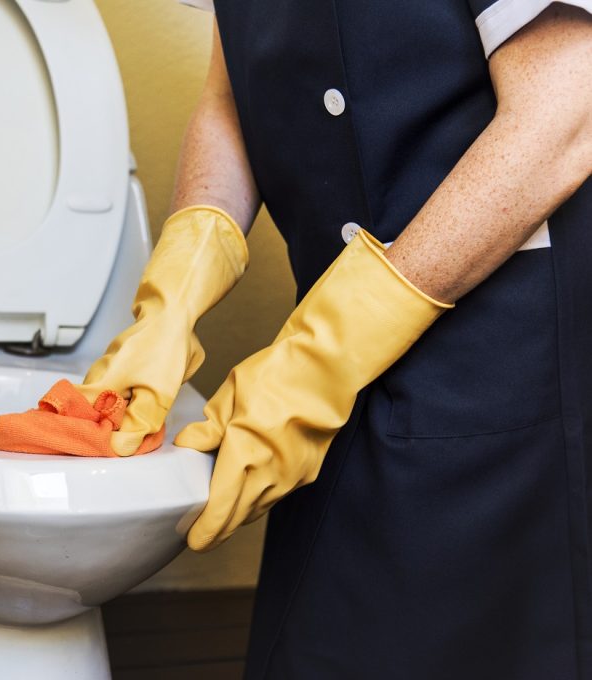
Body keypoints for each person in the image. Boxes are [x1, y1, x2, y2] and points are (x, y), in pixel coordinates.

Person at [77, 1, 591, 676]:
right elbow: (228, 98)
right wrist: (176, 290)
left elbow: (566, 105)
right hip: (333, 361)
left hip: (497, 360)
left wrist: (321, 356)